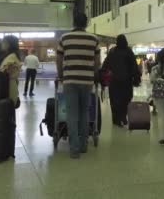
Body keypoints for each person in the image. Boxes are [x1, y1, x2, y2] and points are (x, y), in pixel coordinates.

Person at [56, 13, 100, 159]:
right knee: (84, 113)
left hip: (70, 80)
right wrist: (92, 76)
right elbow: (97, 62)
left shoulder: (65, 38)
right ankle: (83, 145)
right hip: (87, 81)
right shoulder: (94, 39)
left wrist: (61, 75)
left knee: (72, 114)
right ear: (86, 23)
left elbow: (59, 58)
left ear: (73, 22)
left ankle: (74, 149)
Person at [101, 34, 140, 127]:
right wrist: (136, 78)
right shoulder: (128, 51)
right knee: (126, 99)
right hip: (126, 81)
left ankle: (116, 119)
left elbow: (106, 64)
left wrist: (102, 75)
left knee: (114, 100)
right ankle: (123, 116)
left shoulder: (112, 51)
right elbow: (134, 66)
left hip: (114, 81)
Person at [0, 35, 22, 159]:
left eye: (4, 42)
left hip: (8, 87)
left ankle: (7, 147)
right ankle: (8, 147)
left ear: (9, 44)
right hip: (11, 86)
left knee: (8, 118)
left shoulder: (11, 58)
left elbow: (2, 72)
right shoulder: (12, 56)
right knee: (10, 118)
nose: (2, 44)